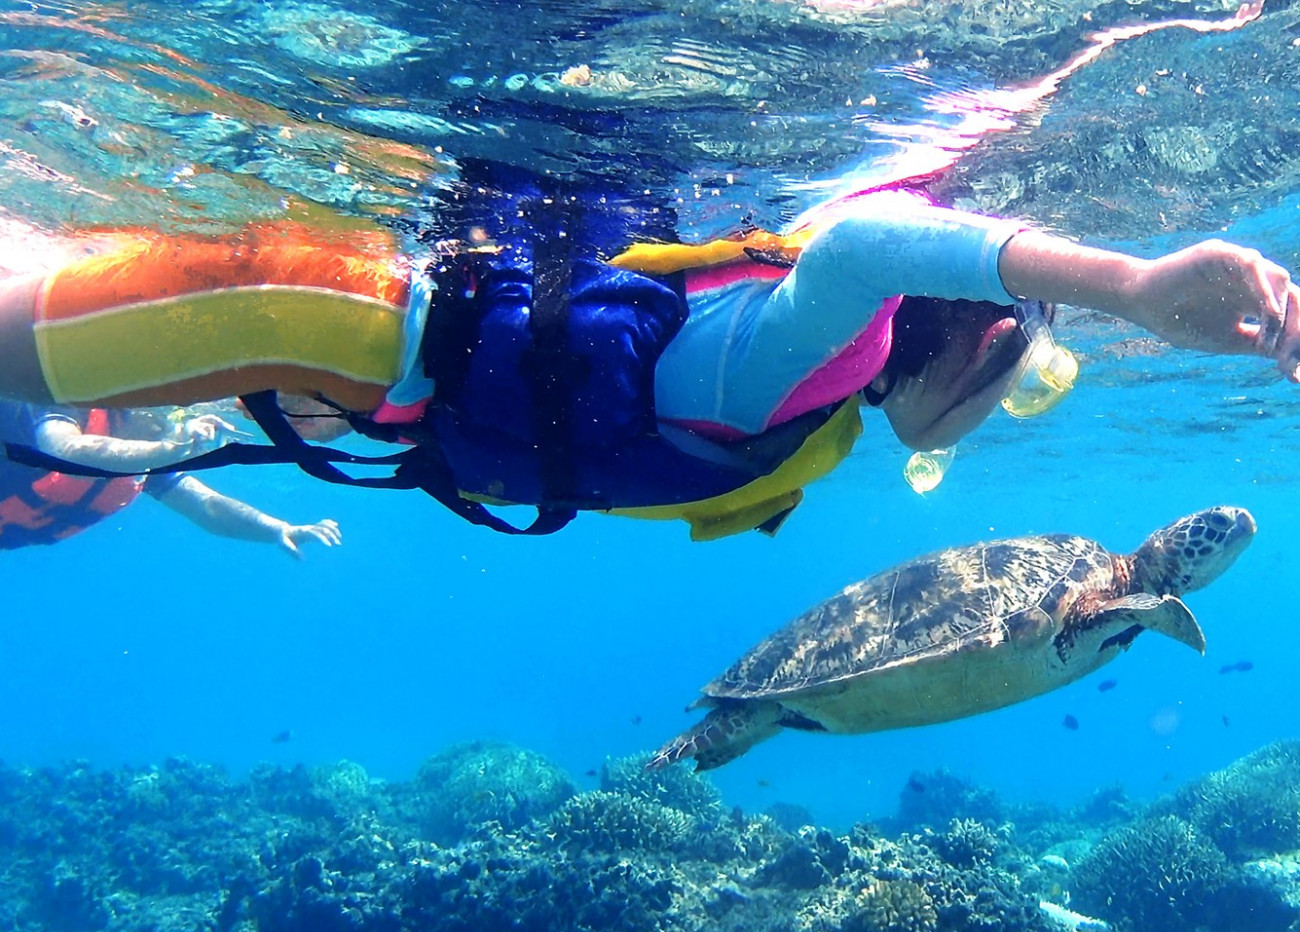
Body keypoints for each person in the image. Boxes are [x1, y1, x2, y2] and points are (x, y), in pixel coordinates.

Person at [0, 172, 1294, 540]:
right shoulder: (817, 356)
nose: (1014, 405)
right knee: (21, 341)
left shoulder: (817, 413)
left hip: (361, 368)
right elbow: (856, 243)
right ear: (970, 337)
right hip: (330, 317)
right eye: (1031, 379)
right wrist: (1124, 284)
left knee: (38, 316)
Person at [0, 400, 342, 556]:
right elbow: (65, 448)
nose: (168, 417)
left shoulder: (145, 451)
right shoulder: (60, 400)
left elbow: (207, 508)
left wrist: (276, 529)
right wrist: (168, 450)